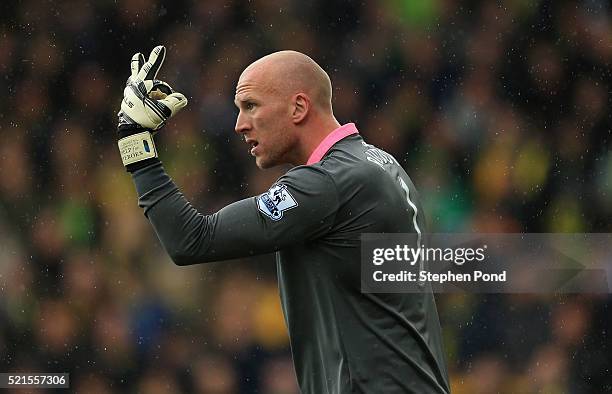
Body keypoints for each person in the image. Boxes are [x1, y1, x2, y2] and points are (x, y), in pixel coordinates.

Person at [116, 45, 451, 393]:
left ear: (299, 107)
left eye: (251, 106)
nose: (239, 125)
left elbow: (191, 239)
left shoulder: (328, 183)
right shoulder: (378, 162)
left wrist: (135, 143)